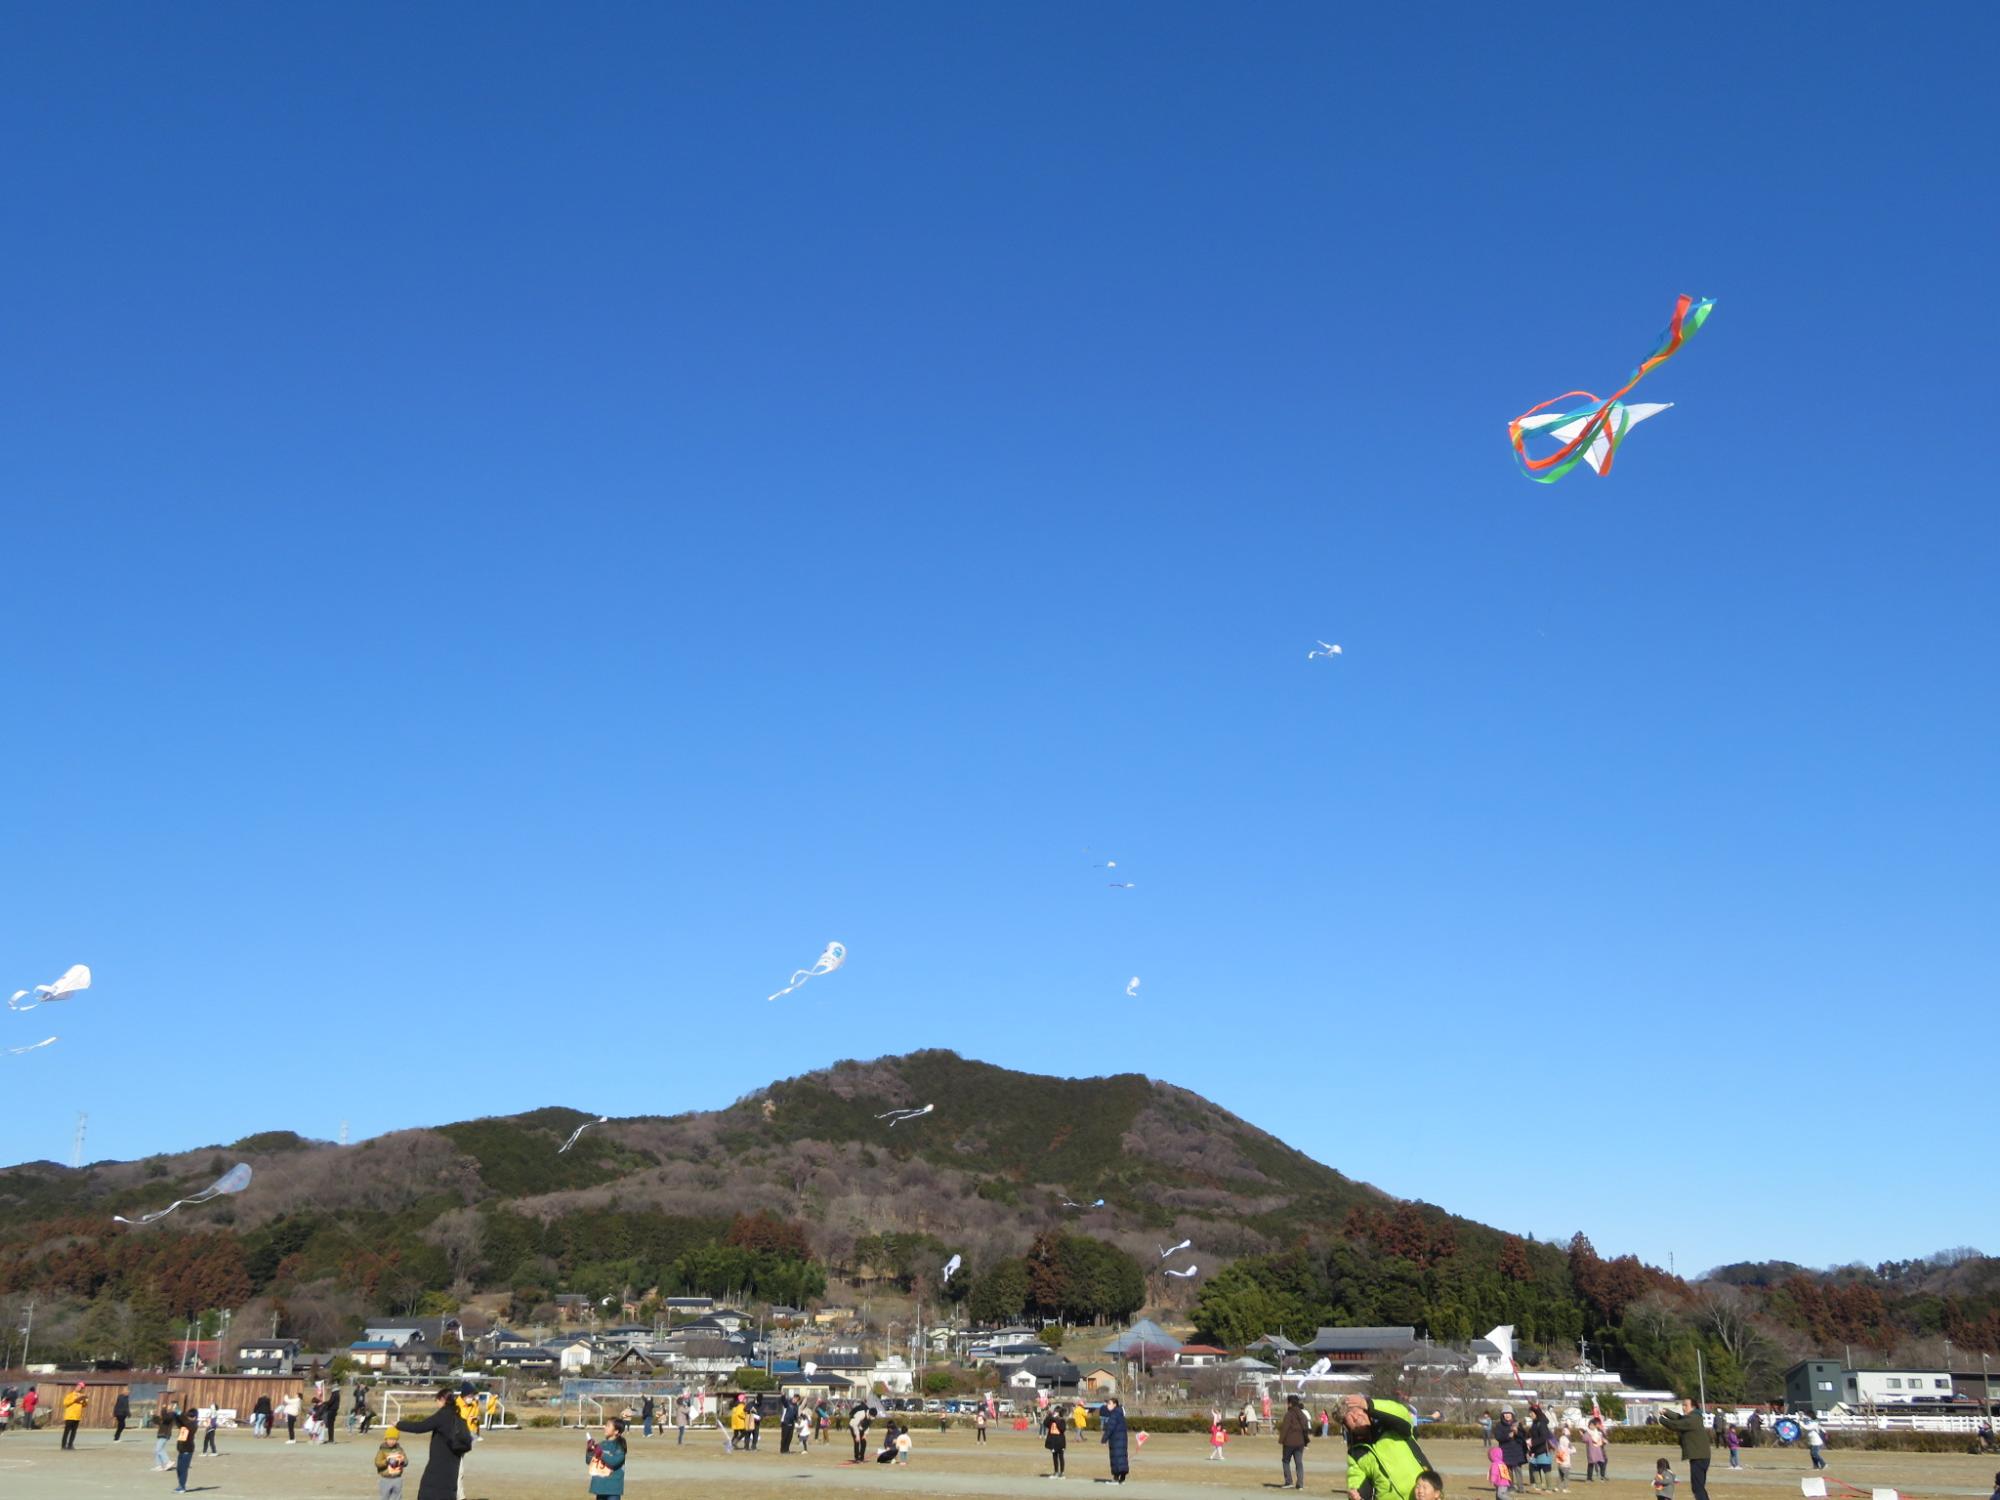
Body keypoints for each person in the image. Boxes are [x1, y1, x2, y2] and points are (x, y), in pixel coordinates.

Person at [1341, 1394, 1435, 1500]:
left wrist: (1369, 1404)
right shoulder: (1356, 1452)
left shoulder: (1390, 1426)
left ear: (1366, 1411)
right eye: (1349, 1417)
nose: (1355, 1417)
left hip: (1424, 1495)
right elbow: (1358, 1482)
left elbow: (1402, 1413)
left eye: (1356, 1411)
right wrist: (1356, 1494)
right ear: (1347, 1426)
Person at [392, 1386, 473, 1500]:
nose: (437, 1404)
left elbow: (420, 1427)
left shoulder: (443, 1415)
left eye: (437, 1401)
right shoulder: (457, 1416)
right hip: (453, 1463)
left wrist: (399, 1424)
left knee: (430, 1491)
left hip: (439, 1463)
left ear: (442, 1400)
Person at [1657, 1398, 1713, 1500]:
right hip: (1700, 1456)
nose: (1683, 1407)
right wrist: (1667, 1412)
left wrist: (1661, 1419)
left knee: (1697, 1487)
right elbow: (1680, 1418)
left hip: (1699, 1457)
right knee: (1698, 1487)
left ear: (1693, 1407)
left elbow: (1676, 1424)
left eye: (1685, 1405)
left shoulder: (1693, 1419)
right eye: (1683, 1405)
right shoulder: (1693, 1417)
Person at [588, 1416, 628, 1497]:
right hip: (599, 1487)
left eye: (608, 1426)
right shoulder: (601, 1445)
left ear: (616, 1431)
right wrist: (589, 1450)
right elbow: (589, 1461)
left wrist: (600, 1453)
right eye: (606, 1425)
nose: (605, 1427)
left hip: (613, 1489)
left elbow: (614, 1462)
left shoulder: (619, 1447)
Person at [1280, 1394, 1313, 1491]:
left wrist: (1281, 1440)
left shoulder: (1289, 1414)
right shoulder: (1302, 1414)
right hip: (1300, 1442)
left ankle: (1289, 1481)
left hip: (1289, 1442)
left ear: (1289, 1403)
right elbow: (1305, 1428)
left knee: (1285, 1461)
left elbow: (1285, 1428)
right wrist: (1305, 1440)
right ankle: (1300, 1483)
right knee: (1299, 1462)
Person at [1495, 1409, 1529, 1493]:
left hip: (1517, 1450)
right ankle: (1510, 1487)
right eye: (1505, 1413)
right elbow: (1498, 1437)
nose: (1507, 1415)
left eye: (1508, 1413)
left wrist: (1517, 1432)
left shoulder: (1517, 1424)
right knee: (1508, 1470)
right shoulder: (1499, 1425)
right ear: (1502, 1415)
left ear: (1512, 1414)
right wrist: (1508, 1436)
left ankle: (1521, 1487)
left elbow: (1523, 1435)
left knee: (1518, 1469)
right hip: (1506, 1450)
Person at [1101, 1396, 1130, 1484]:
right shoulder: (1120, 1413)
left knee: (1116, 1458)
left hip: (1116, 1440)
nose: (1107, 1406)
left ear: (1115, 1404)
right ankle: (1122, 1478)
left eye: (1109, 1404)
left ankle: (1116, 1478)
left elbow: (1110, 1428)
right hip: (1122, 1440)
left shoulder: (1114, 1414)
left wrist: (1104, 1439)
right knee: (1122, 1458)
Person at [376, 1425, 410, 1500]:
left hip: (397, 1478)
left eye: (394, 1439)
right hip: (385, 1478)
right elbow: (377, 1463)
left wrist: (402, 1461)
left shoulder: (400, 1450)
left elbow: (406, 1462)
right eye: (390, 1439)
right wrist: (387, 1461)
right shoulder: (382, 1451)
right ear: (386, 1439)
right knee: (385, 1497)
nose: (392, 1441)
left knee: (397, 1497)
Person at [173, 1401, 199, 1493]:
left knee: (184, 1469)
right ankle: (180, 1484)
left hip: (188, 1450)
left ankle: (182, 1486)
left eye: (191, 1416)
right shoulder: (185, 1424)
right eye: (188, 1416)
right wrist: (175, 1414)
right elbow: (179, 1423)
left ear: (195, 1417)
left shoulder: (193, 1425)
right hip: (181, 1449)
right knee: (179, 1469)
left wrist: (180, 1413)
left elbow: (185, 1421)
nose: (189, 1418)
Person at [1528, 1405, 1554, 1493]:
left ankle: (1549, 1487)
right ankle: (1538, 1485)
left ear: (1536, 1413)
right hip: (1535, 1449)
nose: (1530, 1414)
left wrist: (1533, 1443)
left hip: (1543, 1449)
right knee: (1534, 1467)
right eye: (1530, 1412)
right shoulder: (1534, 1423)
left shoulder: (1541, 1423)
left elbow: (1544, 1437)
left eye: (1531, 1412)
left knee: (1546, 1468)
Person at [61, 1381, 87, 1449]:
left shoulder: (82, 1395)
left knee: (74, 1431)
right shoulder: (70, 1395)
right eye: (78, 1386)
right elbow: (65, 1403)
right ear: (76, 1386)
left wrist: (84, 1400)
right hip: (70, 1416)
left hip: (77, 1416)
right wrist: (74, 1400)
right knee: (67, 1431)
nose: (79, 1388)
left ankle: (70, 1444)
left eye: (81, 1387)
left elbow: (84, 1405)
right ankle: (63, 1445)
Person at [154, 1397, 179, 1471]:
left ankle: (168, 1461)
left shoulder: (172, 1414)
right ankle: (159, 1465)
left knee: (159, 1449)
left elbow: (165, 1419)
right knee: (157, 1450)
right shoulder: (168, 1414)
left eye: (171, 1405)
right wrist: (154, 1416)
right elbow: (159, 1421)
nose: (169, 1406)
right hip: (162, 1433)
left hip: (165, 1434)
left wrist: (163, 1409)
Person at [1045, 1404, 1068, 1478]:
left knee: (1061, 1457)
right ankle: (1056, 1472)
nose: (1055, 1413)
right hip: (1053, 1440)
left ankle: (1062, 1473)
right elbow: (1045, 1423)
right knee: (1054, 1457)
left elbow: (1062, 1429)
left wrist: (1056, 1420)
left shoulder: (1062, 1420)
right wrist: (1050, 1416)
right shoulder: (1051, 1420)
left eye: (1057, 1412)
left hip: (1060, 1441)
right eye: (1055, 1412)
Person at [1584, 1417, 1608, 1482]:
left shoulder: (1597, 1432)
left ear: (1594, 1426)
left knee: (1602, 1463)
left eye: (1592, 1425)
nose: (1591, 1426)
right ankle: (1589, 1478)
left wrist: (1604, 1440)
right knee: (1591, 1464)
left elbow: (1602, 1439)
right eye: (1590, 1425)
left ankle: (1602, 1477)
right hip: (1591, 1451)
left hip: (1598, 1451)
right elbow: (1584, 1439)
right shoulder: (1587, 1433)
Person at [1554, 1427, 1573, 1491]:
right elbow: (1571, 1449)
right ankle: (1565, 1488)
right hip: (1566, 1459)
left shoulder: (1560, 1439)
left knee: (1560, 1475)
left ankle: (1557, 1487)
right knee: (1566, 1476)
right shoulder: (1567, 1441)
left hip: (1560, 1458)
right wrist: (1573, 1450)